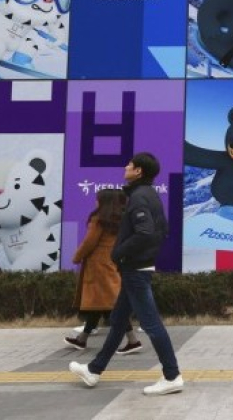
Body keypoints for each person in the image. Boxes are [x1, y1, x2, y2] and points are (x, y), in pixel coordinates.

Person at [69, 152, 184, 395]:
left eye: (130, 164)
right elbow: (163, 229)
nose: (126, 166)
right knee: (119, 322)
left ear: (139, 171)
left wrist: (118, 253)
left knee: (152, 325)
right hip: (137, 266)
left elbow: (146, 231)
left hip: (135, 269)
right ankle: (94, 370)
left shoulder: (140, 197)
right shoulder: (148, 194)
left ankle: (172, 375)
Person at [64, 189, 142, 354]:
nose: (95, 202)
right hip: (110, 263)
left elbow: (89, 242)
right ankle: (82, 339)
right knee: (99, 304)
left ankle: (133, 340)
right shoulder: (121, 220)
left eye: (97, 199)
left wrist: (77, 257)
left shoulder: (98, 219)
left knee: (109, 305)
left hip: (98, 266)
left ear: (104, 202)